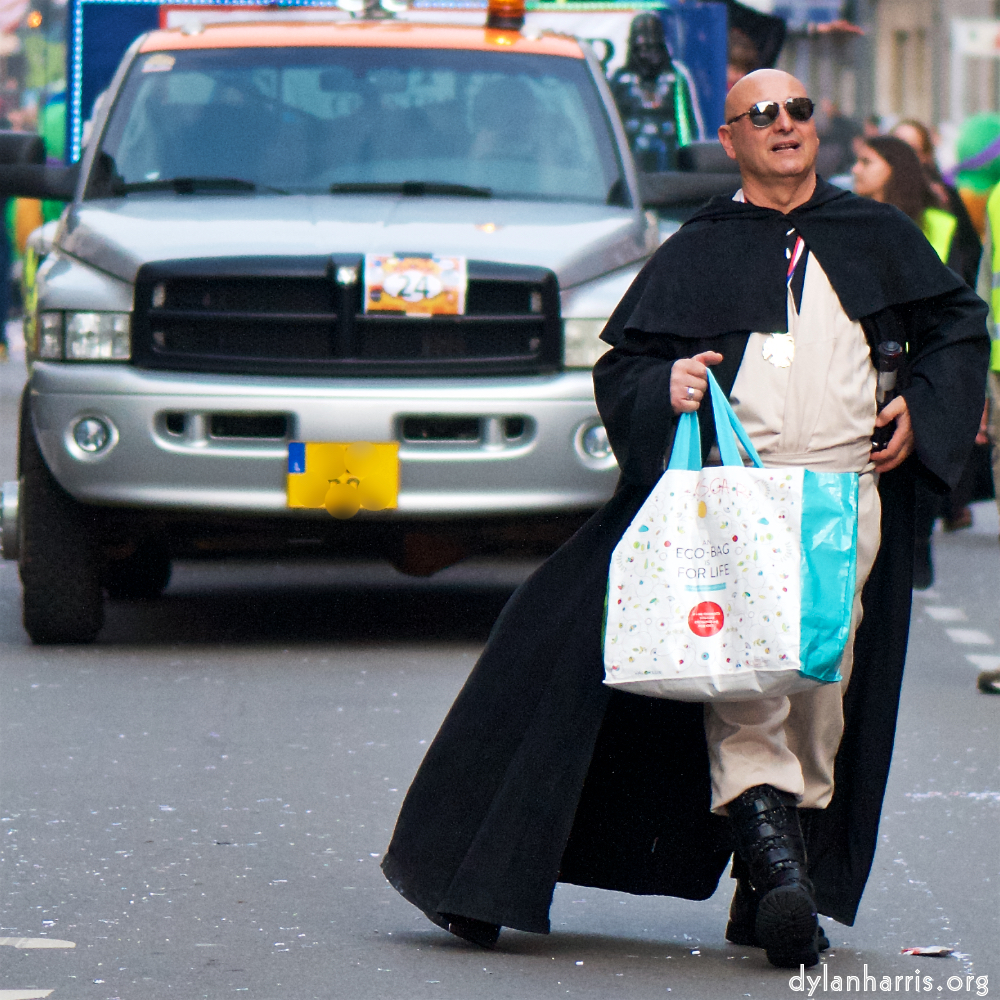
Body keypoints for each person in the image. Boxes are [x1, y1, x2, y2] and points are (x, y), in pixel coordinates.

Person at [382, 70, 988, 971]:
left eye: (799, 111)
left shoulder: (873, 231)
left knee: (822, 683)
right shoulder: (699, 246)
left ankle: (771, 882)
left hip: (840, 499)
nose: (786, 126)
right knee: (741, 678)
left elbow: (956, 325)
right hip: (728, 501)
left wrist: (923, 406)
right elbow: (624, 362)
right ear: (732, 139)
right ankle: (780, 877)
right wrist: (659, 389)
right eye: (764, 115)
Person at [852, 135, 983, 586]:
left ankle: (914, 546)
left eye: (867, 161)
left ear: (896, 168)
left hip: (920, 371)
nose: (856, 170)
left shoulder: (937, 224)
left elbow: (956, 307)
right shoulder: (845, 224)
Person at [609, 13, 701, 172]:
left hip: (669, 165)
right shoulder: (620, 79)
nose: (646, 55)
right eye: (641, 48)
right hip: (630, 165)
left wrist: (692, 163)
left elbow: (690, 126)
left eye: (652, 47)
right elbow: (609, 124)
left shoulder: (676, 77)